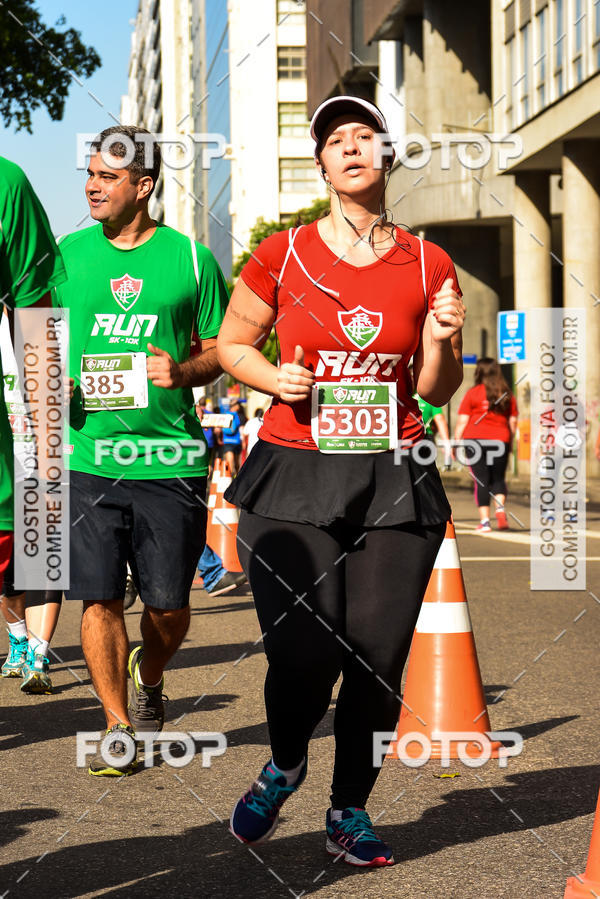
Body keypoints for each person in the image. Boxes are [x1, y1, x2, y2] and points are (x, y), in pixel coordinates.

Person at [217, 95, 465, 866]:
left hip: (396, 472)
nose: (352, 147)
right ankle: (285, 763)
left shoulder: (427, 262)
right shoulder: (283, 253)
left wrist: (442, 340)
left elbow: (435, 387)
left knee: (377, 659)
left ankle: (348, 808)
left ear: (387, 155)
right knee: (302, 655)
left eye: (366, 136)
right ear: (321, 162)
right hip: (293, 471)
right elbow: (232, 343)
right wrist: (275, 378)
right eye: (336, 139)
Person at [53, 126, 228, 776]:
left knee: (169, 607)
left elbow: (222, 348)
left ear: (144, 185)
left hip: (169, 459)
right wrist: (54, 376)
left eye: (108, 176)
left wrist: (182, 372)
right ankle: (117, 726)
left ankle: (149, 672)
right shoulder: (65, 256)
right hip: (87, 457)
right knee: (97, 598)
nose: (92, 186)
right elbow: (36, 333)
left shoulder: (191, 260)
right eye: (90, 174)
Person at [0, 157, 66, 680]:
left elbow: (37, 322)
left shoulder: (7, 183)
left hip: (20, 429)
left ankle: (33, 647)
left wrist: (49, 442)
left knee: (38, 543)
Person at [454, 357, 517, 533]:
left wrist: (455, 443)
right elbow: (513, 422)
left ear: (479, 372)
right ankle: (500, 510)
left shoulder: (472, 393)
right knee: (498, 479)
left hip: (474, 440)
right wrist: (510, 442)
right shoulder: (506, 394)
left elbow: (462, 421)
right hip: (500, 439)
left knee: (481, 480)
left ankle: (485, 522)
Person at [415, 394, 452, 468]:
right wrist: (446, 443)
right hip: (426, 437)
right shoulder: (430, 396)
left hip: (406, 437)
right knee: (427, 469)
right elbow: (439, 418)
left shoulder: (404, 394)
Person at [221, 399, 244, 474]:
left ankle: (230, 477)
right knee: (236, 463)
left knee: (230, 461)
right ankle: (235, 477)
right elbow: (241, 430)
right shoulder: (239, 416)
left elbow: (220, 428)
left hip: (227, 441)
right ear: (236, 406)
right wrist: (243, 441)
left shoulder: (225, 415)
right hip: (236, 441)